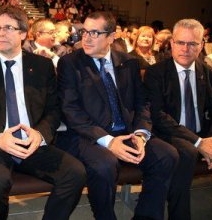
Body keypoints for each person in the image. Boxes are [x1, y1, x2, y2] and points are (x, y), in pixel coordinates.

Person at [0, 5, 86, 220]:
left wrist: (40, 134)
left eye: (8, 27)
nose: (0, 33)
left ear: (23, 33)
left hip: (33, 142)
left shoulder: (42, 66)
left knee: (75, 173)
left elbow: (53, 109)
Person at [56, 11, 178, 220]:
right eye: (84, 31)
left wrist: (141, 134)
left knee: (167, 155)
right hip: (89, 136)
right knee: (104, 165)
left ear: (112, 37)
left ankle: (146, 216)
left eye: (94, 33)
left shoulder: (128, 62)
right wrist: (109, 142)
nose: (86, 37)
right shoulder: (70, 63)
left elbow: (142, 102)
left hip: (127, 132)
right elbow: (71, 111)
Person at [144, 18, 212, 220]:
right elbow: (158, 116)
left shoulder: (207, 72)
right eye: (181, 43)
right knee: (188, 151)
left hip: (203, 134)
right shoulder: (156, 73)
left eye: (192, 44)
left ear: (201, 46)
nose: (185, 49)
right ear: (172, 43)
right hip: (171, 134)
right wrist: (199, 143)